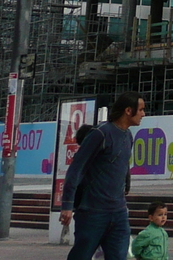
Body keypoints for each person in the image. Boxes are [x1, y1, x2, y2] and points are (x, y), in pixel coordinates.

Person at [60, 93, 144, 260]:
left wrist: (126, 185)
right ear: (128, 110)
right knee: (81, 255)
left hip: (118, 213)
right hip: (93, 212)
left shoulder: (128, 136)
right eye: (141, 109)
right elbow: (76, 169)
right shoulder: (101, 134)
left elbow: (122, 164)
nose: (143, 114)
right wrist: (67, 205)